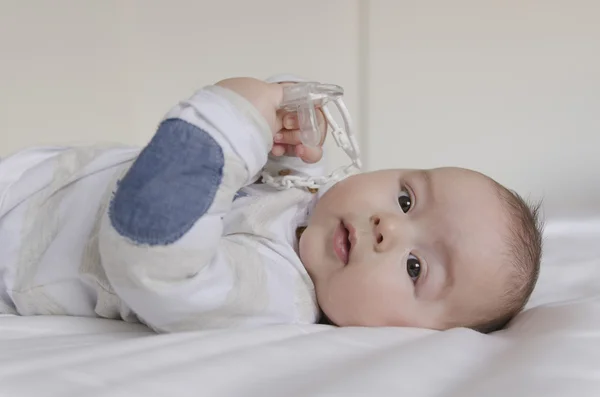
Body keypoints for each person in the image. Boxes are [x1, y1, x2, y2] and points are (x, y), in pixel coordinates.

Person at [0, 74, 542, 333]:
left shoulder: (275, 295)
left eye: (416, 267)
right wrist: (283, 148)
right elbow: (264, 201)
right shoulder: (314, 217)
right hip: (28, 178)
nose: (387, 228)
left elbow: (154, 252)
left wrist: (233, 120)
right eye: (405, 198)